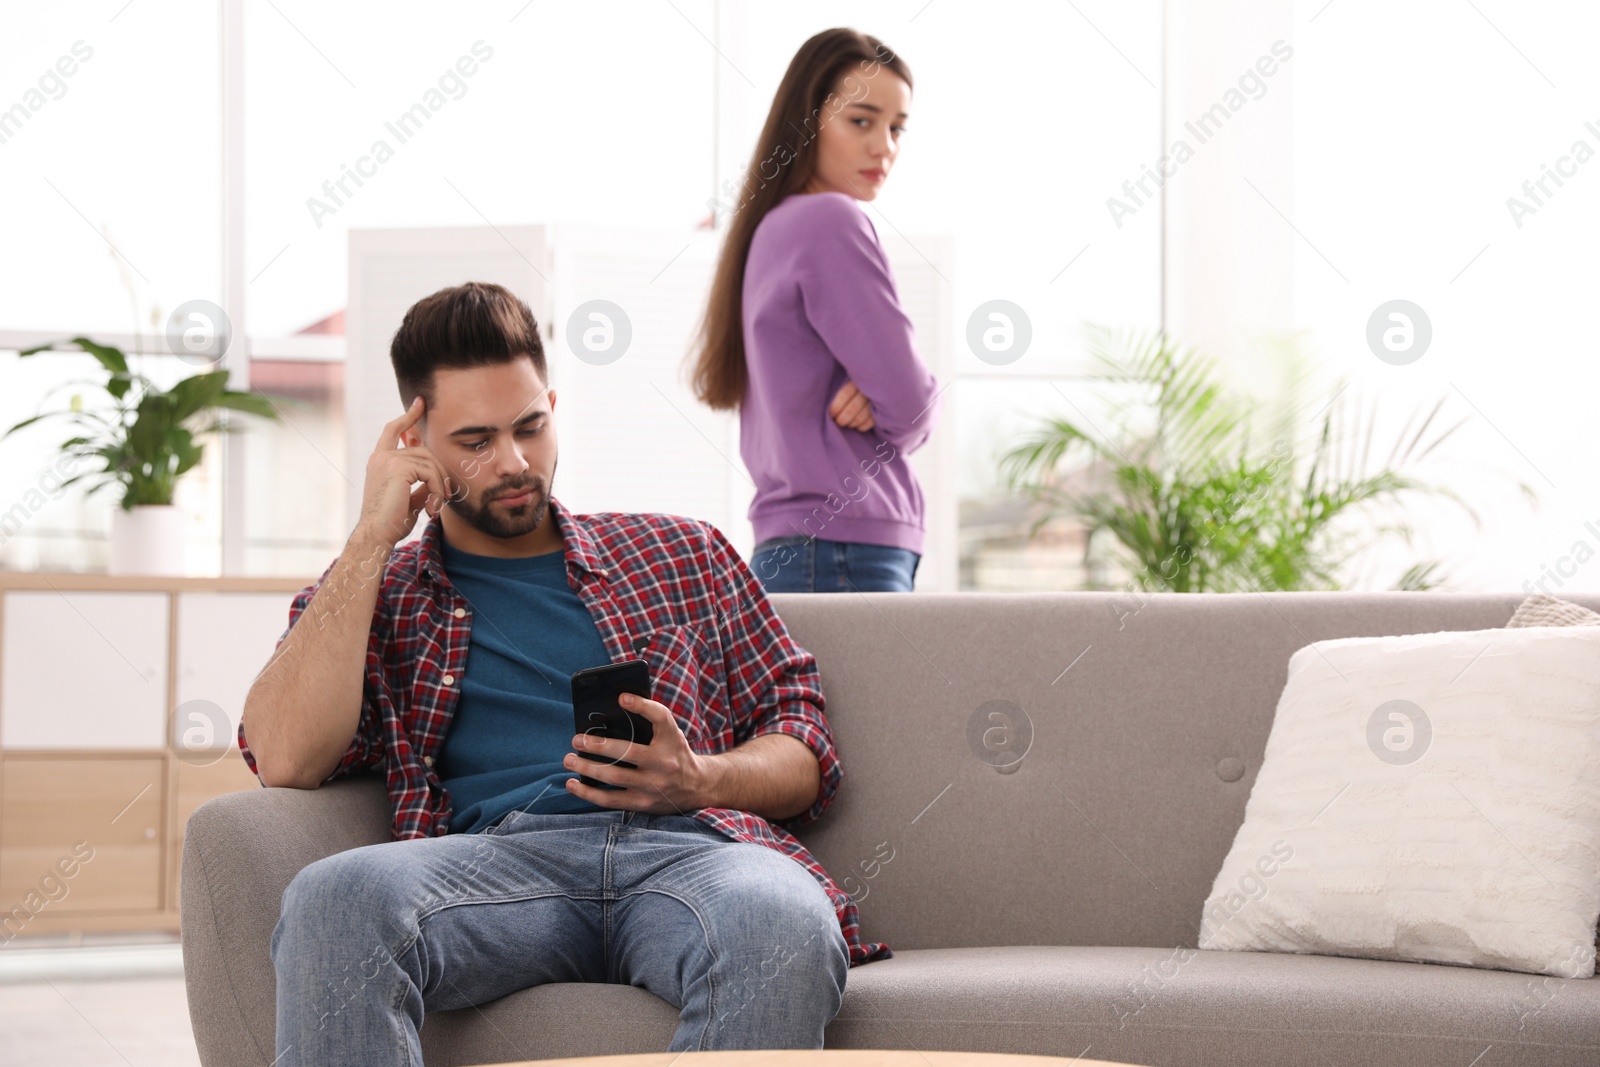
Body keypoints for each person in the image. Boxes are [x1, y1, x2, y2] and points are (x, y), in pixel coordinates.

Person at [237, 281, 889, 1065]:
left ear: (551, 405)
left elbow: (806, 746)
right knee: (331, 901)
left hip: (692, 854)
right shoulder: (380, 595)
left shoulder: (683, 553)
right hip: (496, 870)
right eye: (474, 440)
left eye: (529, 427)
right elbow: (283, 756)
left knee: (783, 922)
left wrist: (696, 776)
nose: (513, 463)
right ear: (416, 440)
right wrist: (373, 535)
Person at [690, 28, 942, 594]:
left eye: (897, 127)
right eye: (862, 120)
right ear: (808, 120)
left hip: (799, 546)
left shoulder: (771, 229)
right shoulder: (830, 221)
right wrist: (889, 395)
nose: (885, 146)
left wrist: (874, 387)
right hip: (843, 546)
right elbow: (912, 405)